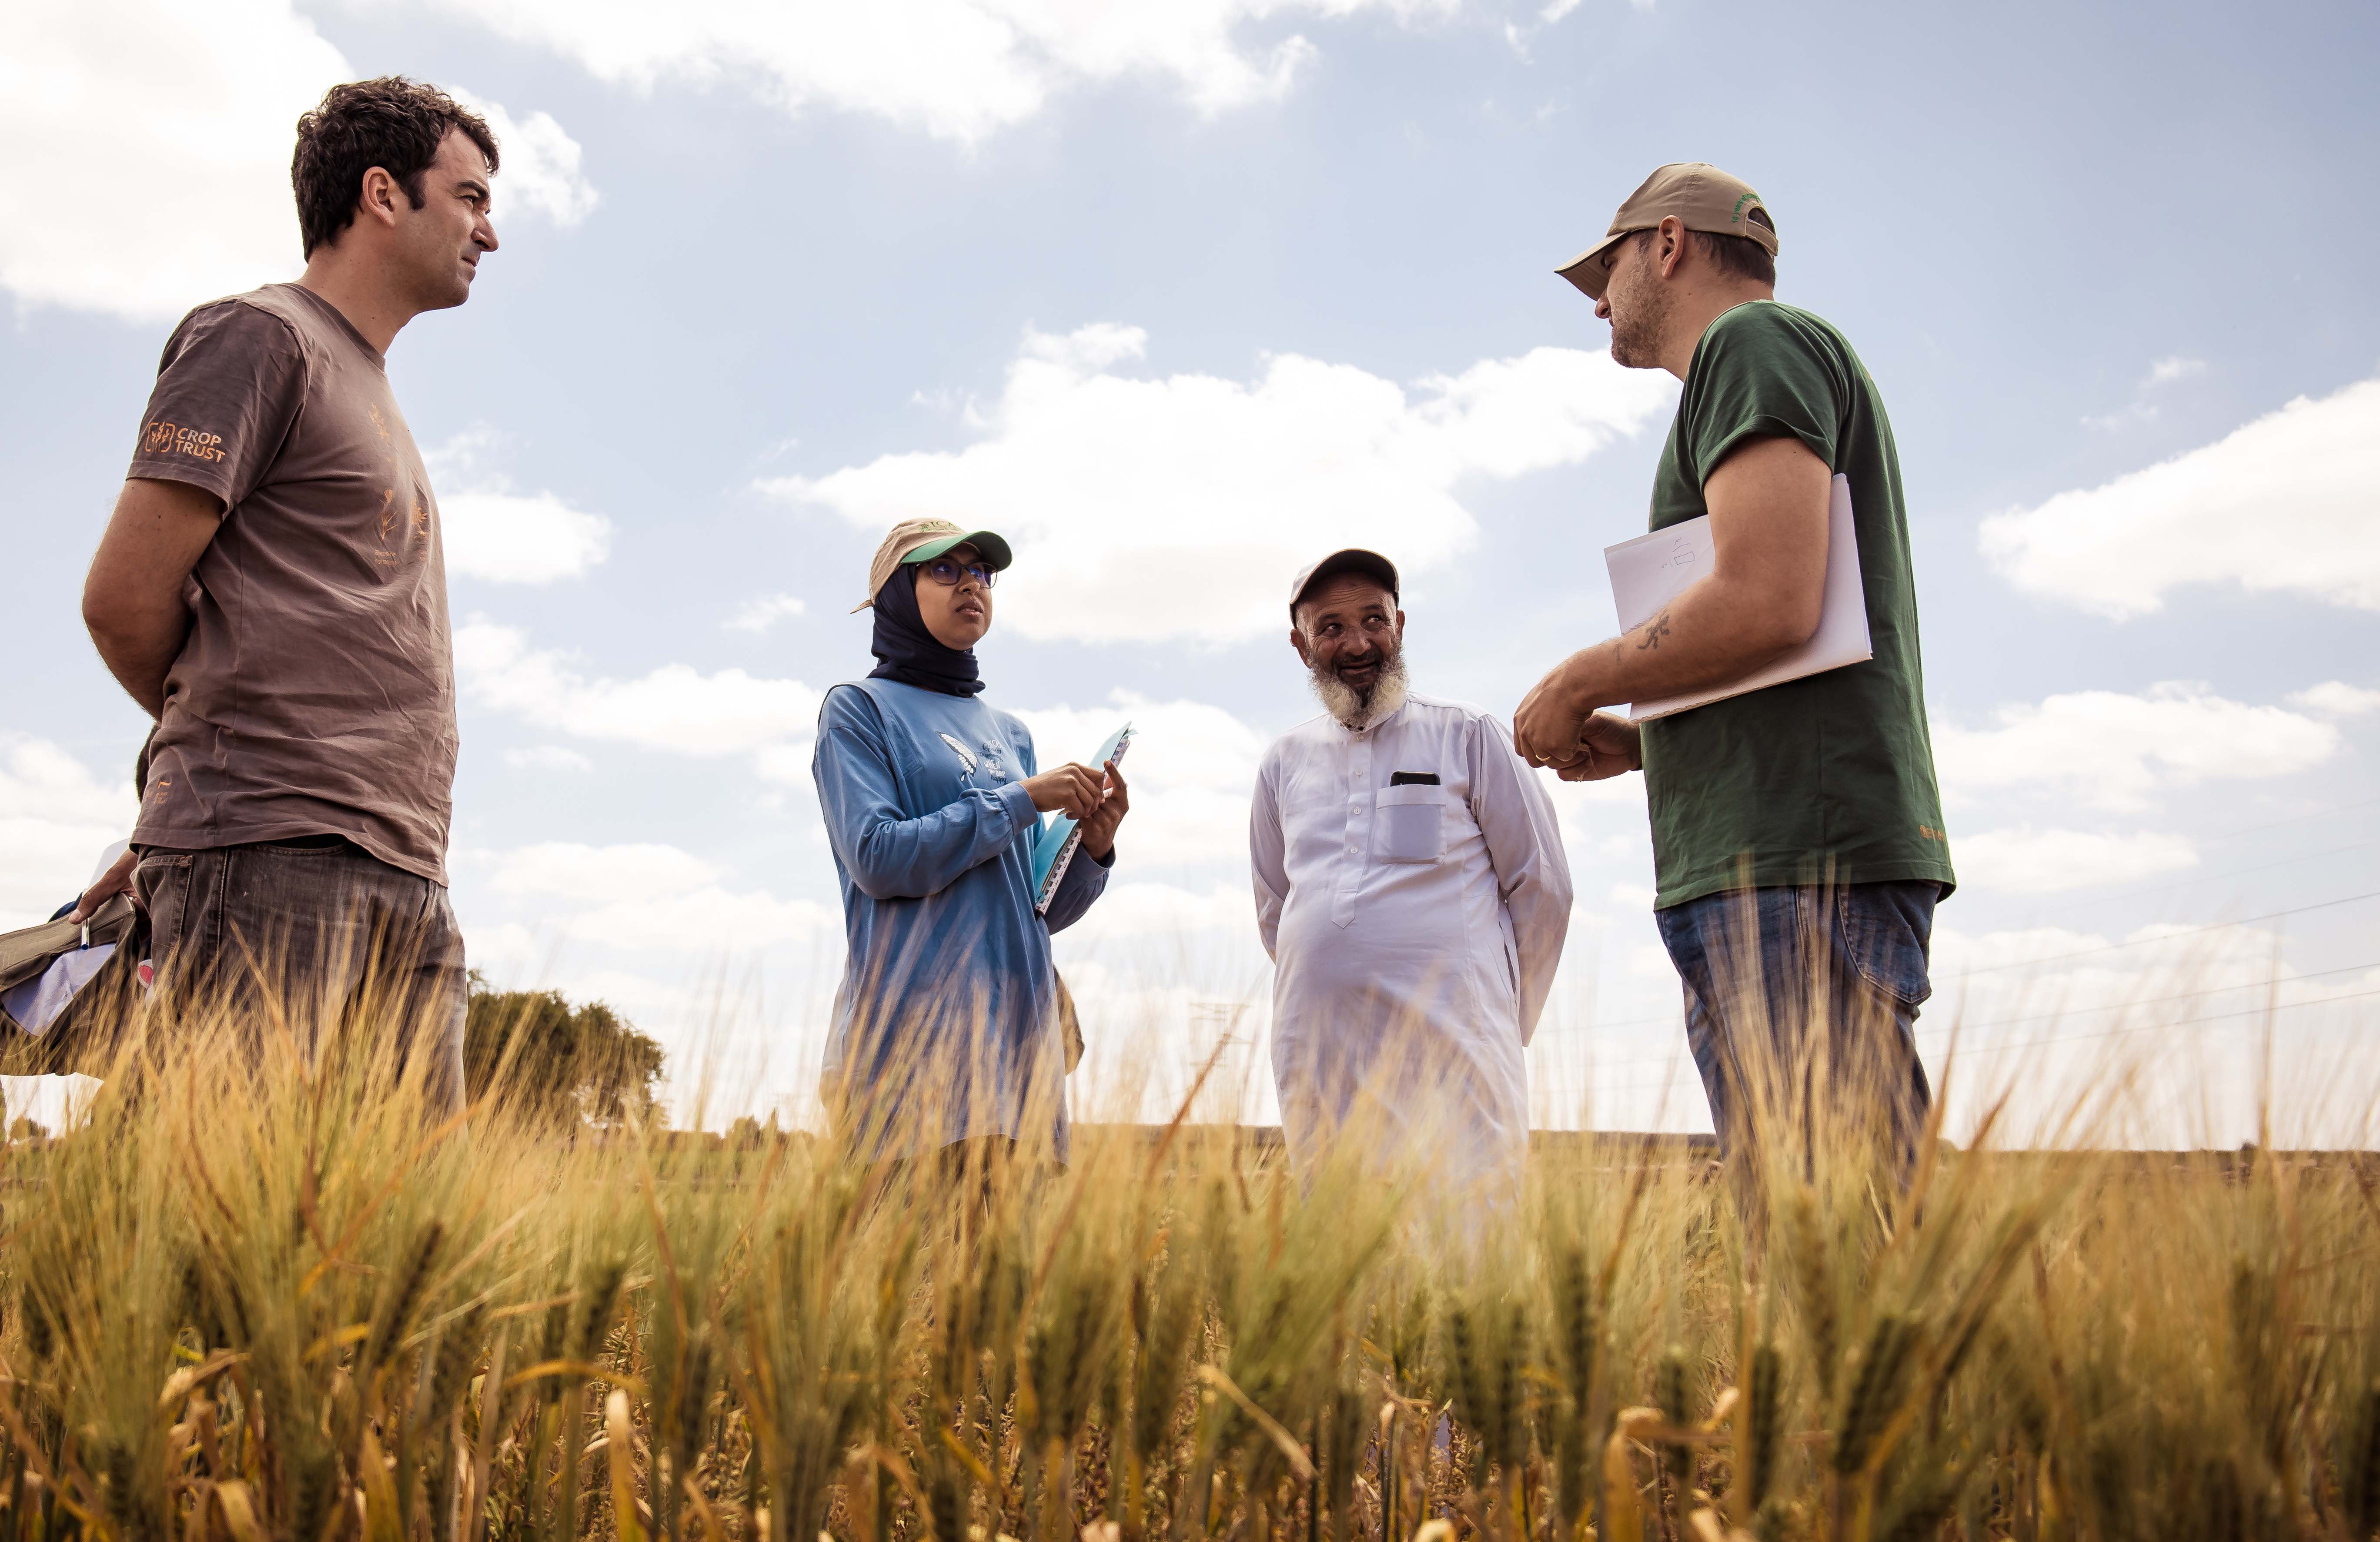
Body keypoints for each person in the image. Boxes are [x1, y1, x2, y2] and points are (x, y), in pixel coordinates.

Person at [1512, 164, 1955, 1174]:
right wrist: (1648, 743)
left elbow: (1768, 598)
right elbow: (1785, 629)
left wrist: (1587, 676)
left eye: (1609, 264)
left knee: (1845, 1258)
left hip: (1795, 865)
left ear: (1667, 245)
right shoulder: (1758, 362)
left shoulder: (1750, 344)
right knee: (1822, 1251)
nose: (1598, 298)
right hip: (1775, 860)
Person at [77, 78, 505, 1110]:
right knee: (209, 1242)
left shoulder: (373, 386)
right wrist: (229, 765)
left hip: (407, 871)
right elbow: (125, 597)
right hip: (271, 865)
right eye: (472, 197)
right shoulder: (259, 338)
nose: (491, 233)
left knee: (395, 1252)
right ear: (382, 194)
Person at [1250, 549, 1572, 1198]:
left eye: (1373, 618)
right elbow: (1276, 913)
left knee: (1467, 1266)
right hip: (1322, 1064)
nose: (1357, 641)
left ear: (1400, 624)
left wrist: (1499, 1022)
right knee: (1342, 1275)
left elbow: (1544, 889)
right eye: (1332, 626)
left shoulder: (1469, 735)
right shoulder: (1282, 762)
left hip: (1457, 1063)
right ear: (1300, 644)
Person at [812, 518, 1128, 1171]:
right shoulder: (857, 710)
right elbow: (876, 857)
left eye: (981, 572)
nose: (971, 586)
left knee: (1014, 1273)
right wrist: (1022, 800)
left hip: (1020, 1051)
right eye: (945, 570)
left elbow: (1036, 909)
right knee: (911, 1270)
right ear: (898, 593)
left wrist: (1093, 849)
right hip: (915, 1056)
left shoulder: (1011, 734)